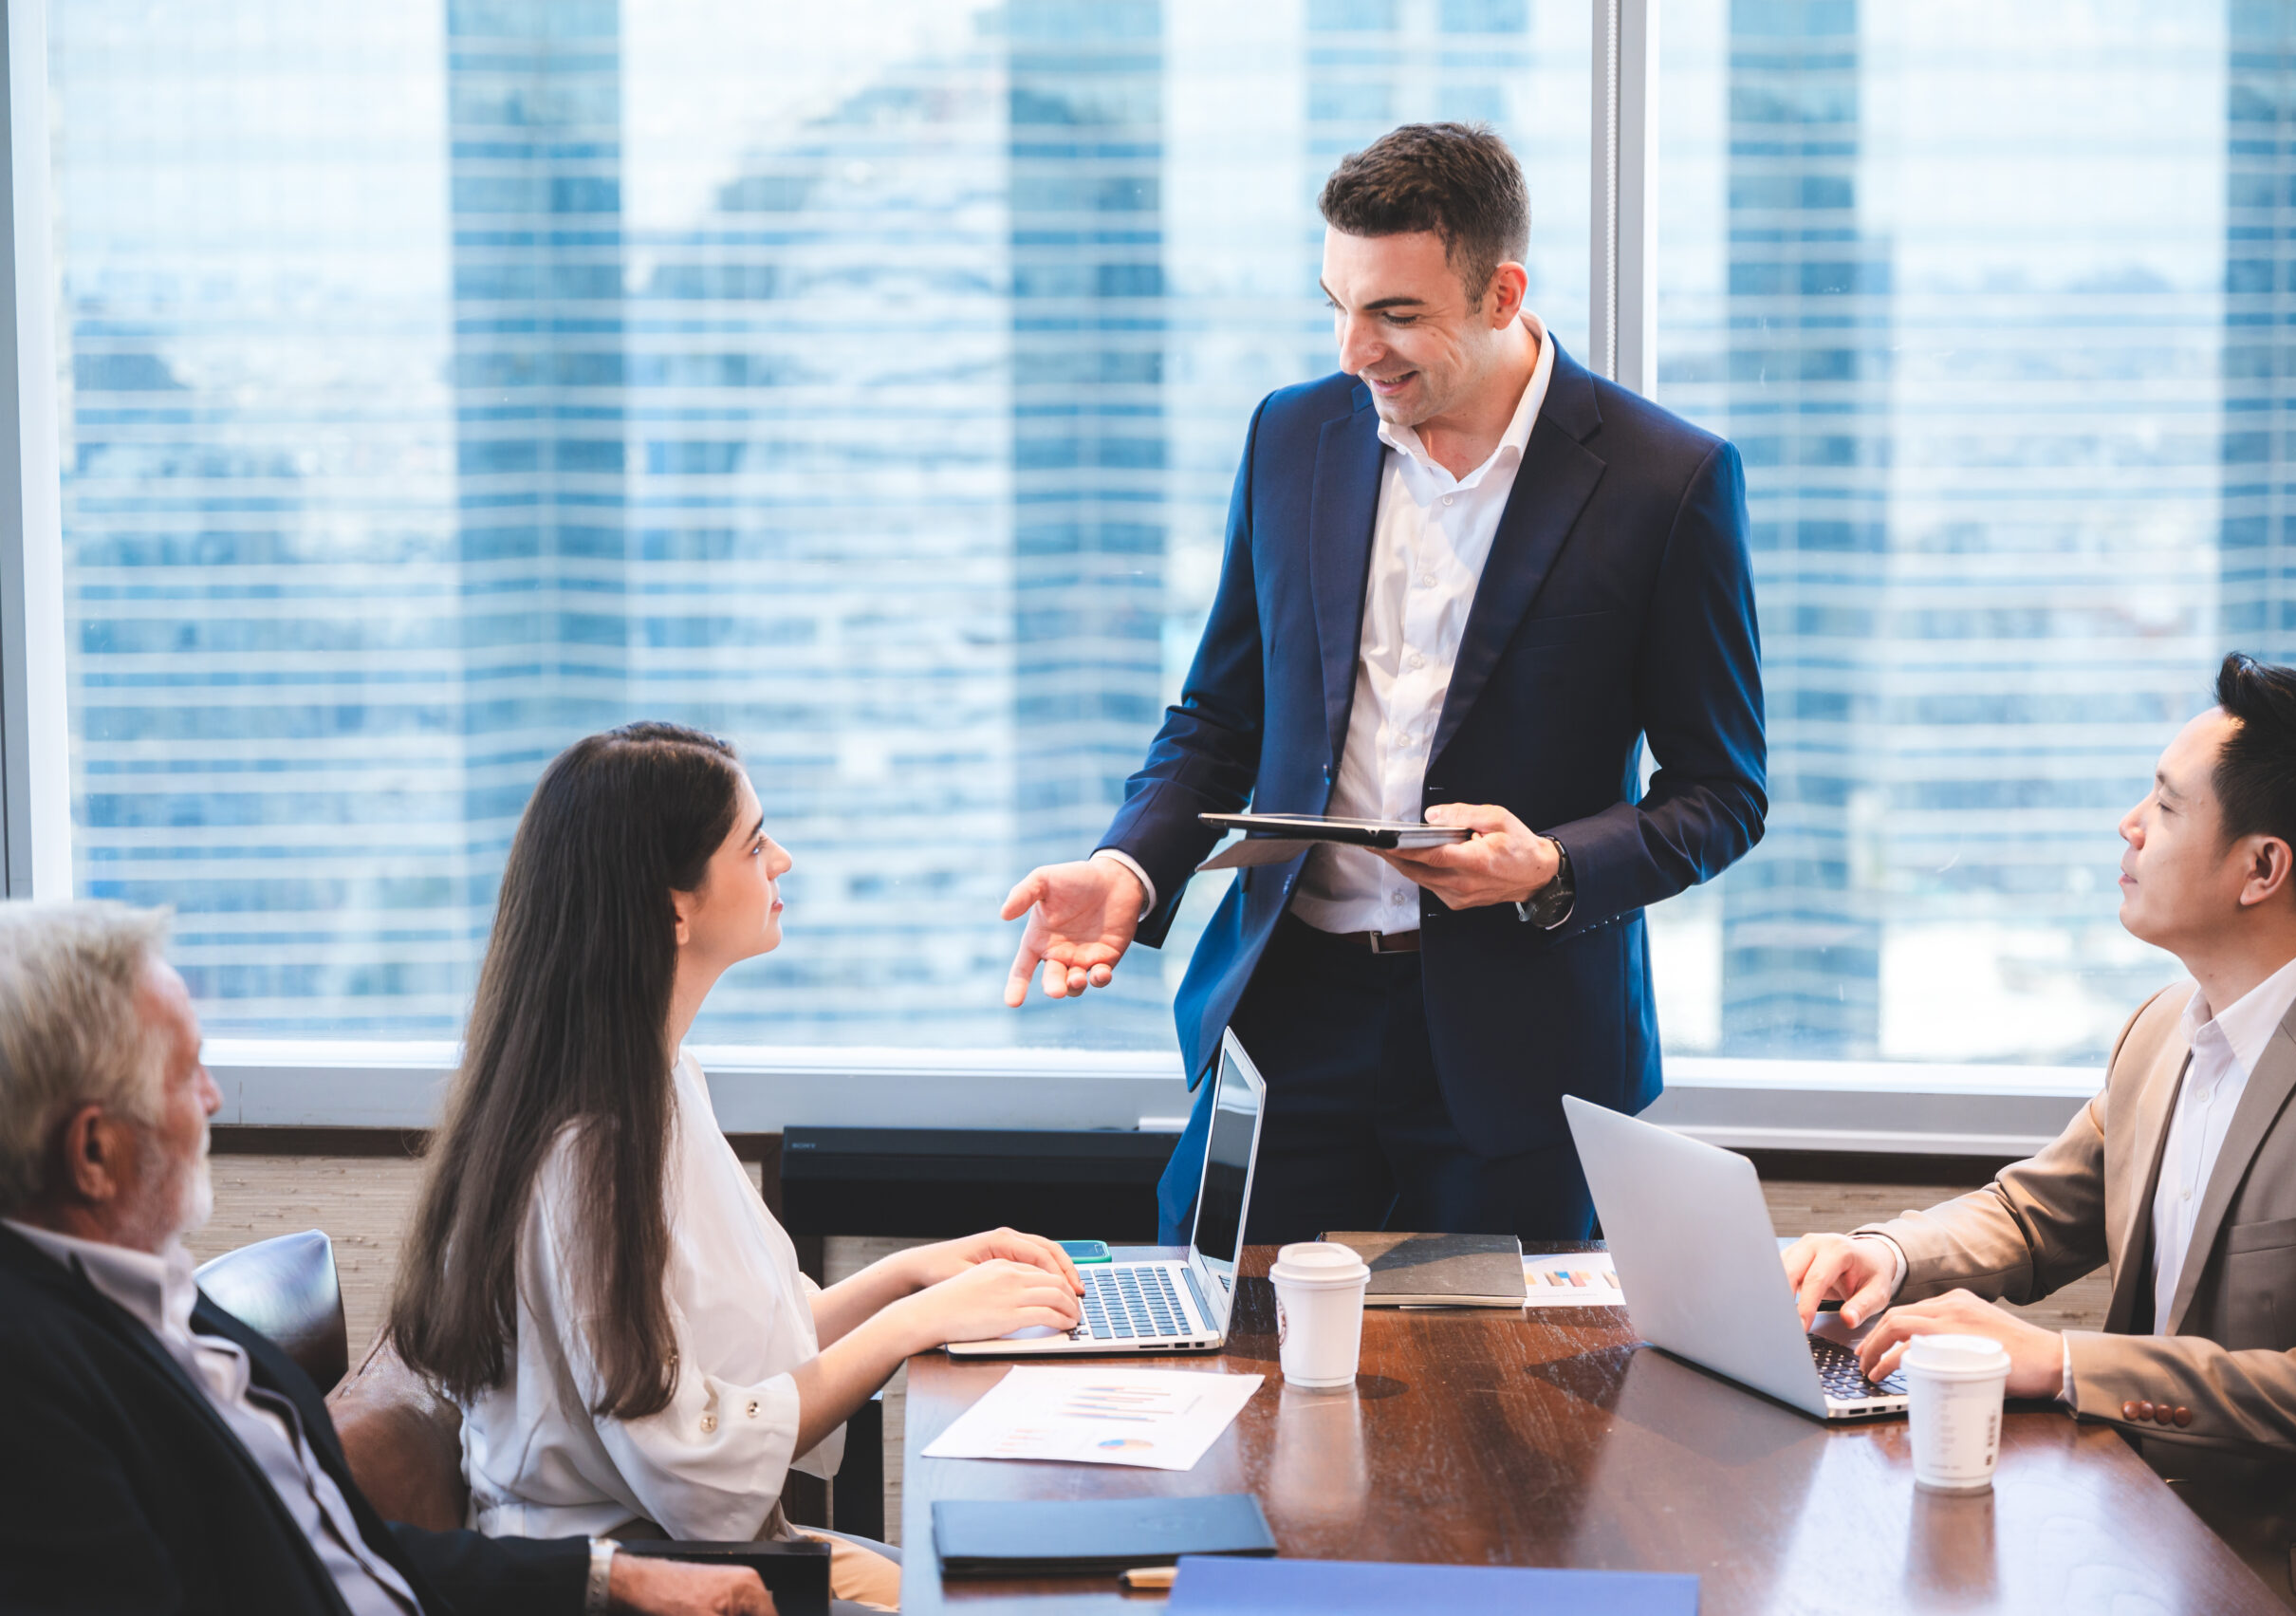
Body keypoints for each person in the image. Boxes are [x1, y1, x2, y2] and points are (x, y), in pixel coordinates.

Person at [1000, 122, 1767, 1244]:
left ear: (1502, 294)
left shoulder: (1669, 480)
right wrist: (1129, 864)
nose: (1356, 349)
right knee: (1220, 1340)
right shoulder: (1291, 433)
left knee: (1505, 1365)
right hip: (1289, 1018)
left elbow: (1722, 792)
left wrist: (1551, 866)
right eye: (1339, 305)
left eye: (1396, 314)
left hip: (1521, 1048)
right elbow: (1219, 716)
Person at [1783, 653, 2296, 1610]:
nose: (2129, 824)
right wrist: (1882, 1252)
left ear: (2261, 867)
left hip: (2283, 1572)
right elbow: (2035, 1213)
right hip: (2131, 1521)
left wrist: (2061, 1360)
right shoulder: (2164, 1023)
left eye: (2164, 805)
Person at [391, 723, 1083, 1615]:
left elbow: (746, 1354)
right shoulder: (584, 1153)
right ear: (673, 908)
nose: (781, 859)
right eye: (755, 844)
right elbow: (696, 1453)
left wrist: (912, 1273)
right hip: (640, 1582)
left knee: (1015, 1589)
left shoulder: (661, 1079)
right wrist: (914, 1322)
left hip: (702, 1546)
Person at [0, 900, 771, 1615]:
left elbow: (340, 1538)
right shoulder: (32, 1389)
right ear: (94, 1151)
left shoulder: (153, 1292)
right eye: (185, 1073)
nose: (213, 1096)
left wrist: (609, 1574)